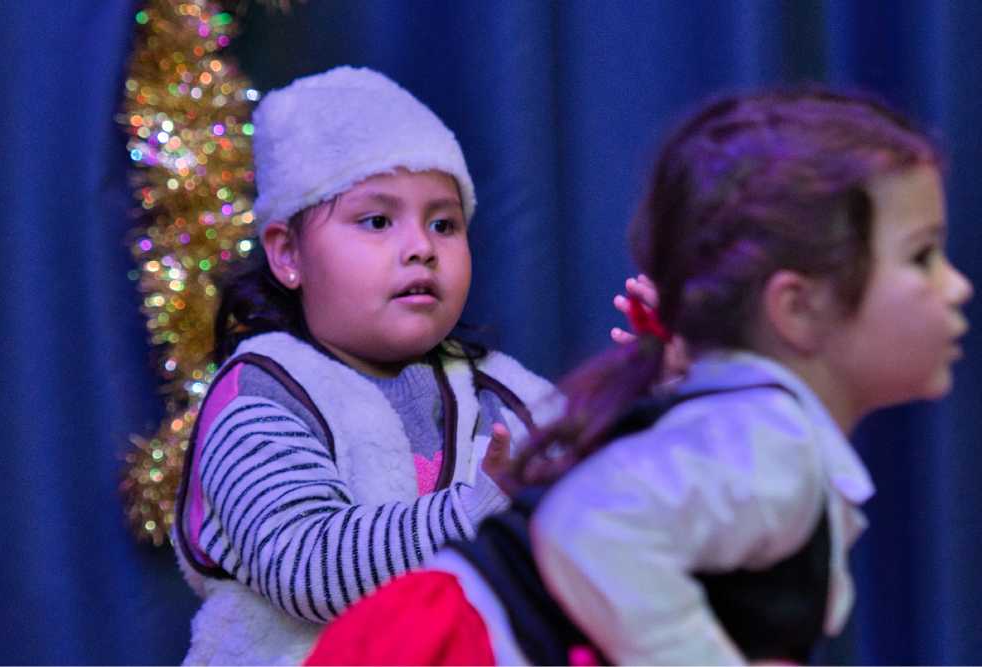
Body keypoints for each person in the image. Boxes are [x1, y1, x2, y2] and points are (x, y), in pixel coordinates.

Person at [305, 87, 972, 665]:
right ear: (797, 307)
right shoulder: (769, 442)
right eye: (922, 257)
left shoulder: (742, 427)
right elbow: (589, 530)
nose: (957, 286)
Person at [171, 66, 563, 665]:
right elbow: (303, 565)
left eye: (444, 224)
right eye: (377, 221)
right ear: (288, 254)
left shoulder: (495, 389)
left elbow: (612, 492)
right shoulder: (260, 393)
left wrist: (663, 374)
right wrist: (477, 512)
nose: (421, 247)